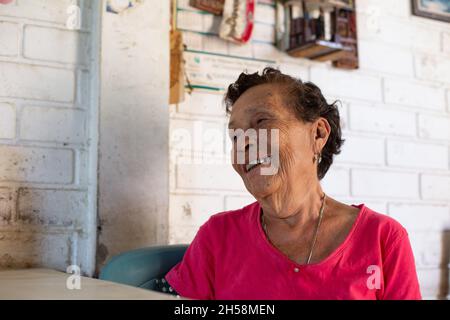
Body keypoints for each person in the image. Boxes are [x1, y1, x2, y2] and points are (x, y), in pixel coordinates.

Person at [165, 68, 421, 300]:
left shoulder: (382, 239)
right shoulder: (217, 237)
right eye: (234, 135)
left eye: (262, 121)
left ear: (318, 134)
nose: (242, 142)